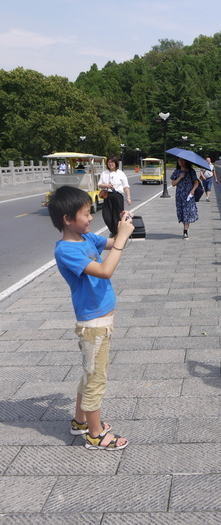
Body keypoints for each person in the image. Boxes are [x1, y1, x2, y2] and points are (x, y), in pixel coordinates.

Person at [48, 185, 134, 450]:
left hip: (100, 321)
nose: (90, 218)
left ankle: (79, 422)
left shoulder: (87, 239)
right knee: (96, 377)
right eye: (85, 214)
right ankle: (95, 435)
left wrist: (123, 228)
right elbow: (106, 270)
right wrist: (121, 237)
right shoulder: (66, 250)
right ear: (67, 219)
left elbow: (113, 244)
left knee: (89, 373)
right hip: (93, 324)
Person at [99, 156, 131, 237]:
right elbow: (99, 184)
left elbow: (126, 186)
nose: (110, 164)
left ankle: (117, 233)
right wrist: (107, 185)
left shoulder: (121, 173)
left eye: (112, 162)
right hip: (108, 196)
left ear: (116, 163)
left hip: (117, 196)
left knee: (117, 216)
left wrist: (128, 197)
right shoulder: (104, 173)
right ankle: (113, 231)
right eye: (109, 162)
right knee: (106, 217)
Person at [170, 158, 199, 239]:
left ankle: (185, 231)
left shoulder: (191, 171)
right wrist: (180, 177)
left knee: (188, 212)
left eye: (182, 160)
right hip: (179, 194)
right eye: (179, 160)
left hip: (188, 195)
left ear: (186, 161)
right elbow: (173, 184)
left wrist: (192, 190)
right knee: (181, 212)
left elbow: (196, 182)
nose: (181, 162)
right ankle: (185, 226)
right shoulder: (177, 171)